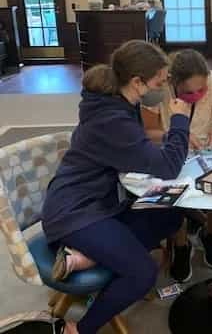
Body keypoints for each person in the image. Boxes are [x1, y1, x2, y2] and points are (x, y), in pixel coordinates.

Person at [41, 40, 191, 334]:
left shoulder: (117, 103)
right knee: (142, 273)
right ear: (137, 82)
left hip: (101, 202)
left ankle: (86, 257)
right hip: (75, 213)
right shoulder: (111, 119)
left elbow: (139, 152)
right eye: (160, 82)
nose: (163, 89)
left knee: (171, 215)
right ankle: (80, 329)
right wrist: (180, 122)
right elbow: (168, 167)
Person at [157, 49, 212, 276]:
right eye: (188, 91)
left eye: (201, 89)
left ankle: (209, 234)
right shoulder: (159, 88)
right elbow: (147, 130)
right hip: (170, 151)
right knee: (175, 194)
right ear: (173, 83)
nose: (197, 95)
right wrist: (175, 133)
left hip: (206, 151)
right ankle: (182, 246)